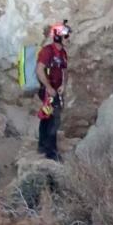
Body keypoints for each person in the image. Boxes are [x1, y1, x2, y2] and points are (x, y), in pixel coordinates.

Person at [36, 21, 70, 160]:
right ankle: (51, 152)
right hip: (47, 90)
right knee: (54, 119)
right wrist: (49, 88)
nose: (69, 39)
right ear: (58, 37)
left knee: (47, 116)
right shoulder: (47, 51)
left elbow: (65, 71)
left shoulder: (63, 53)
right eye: (66, 36)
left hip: (55, 89)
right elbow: (39, 70)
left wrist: (64, 85)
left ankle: (42, 145)